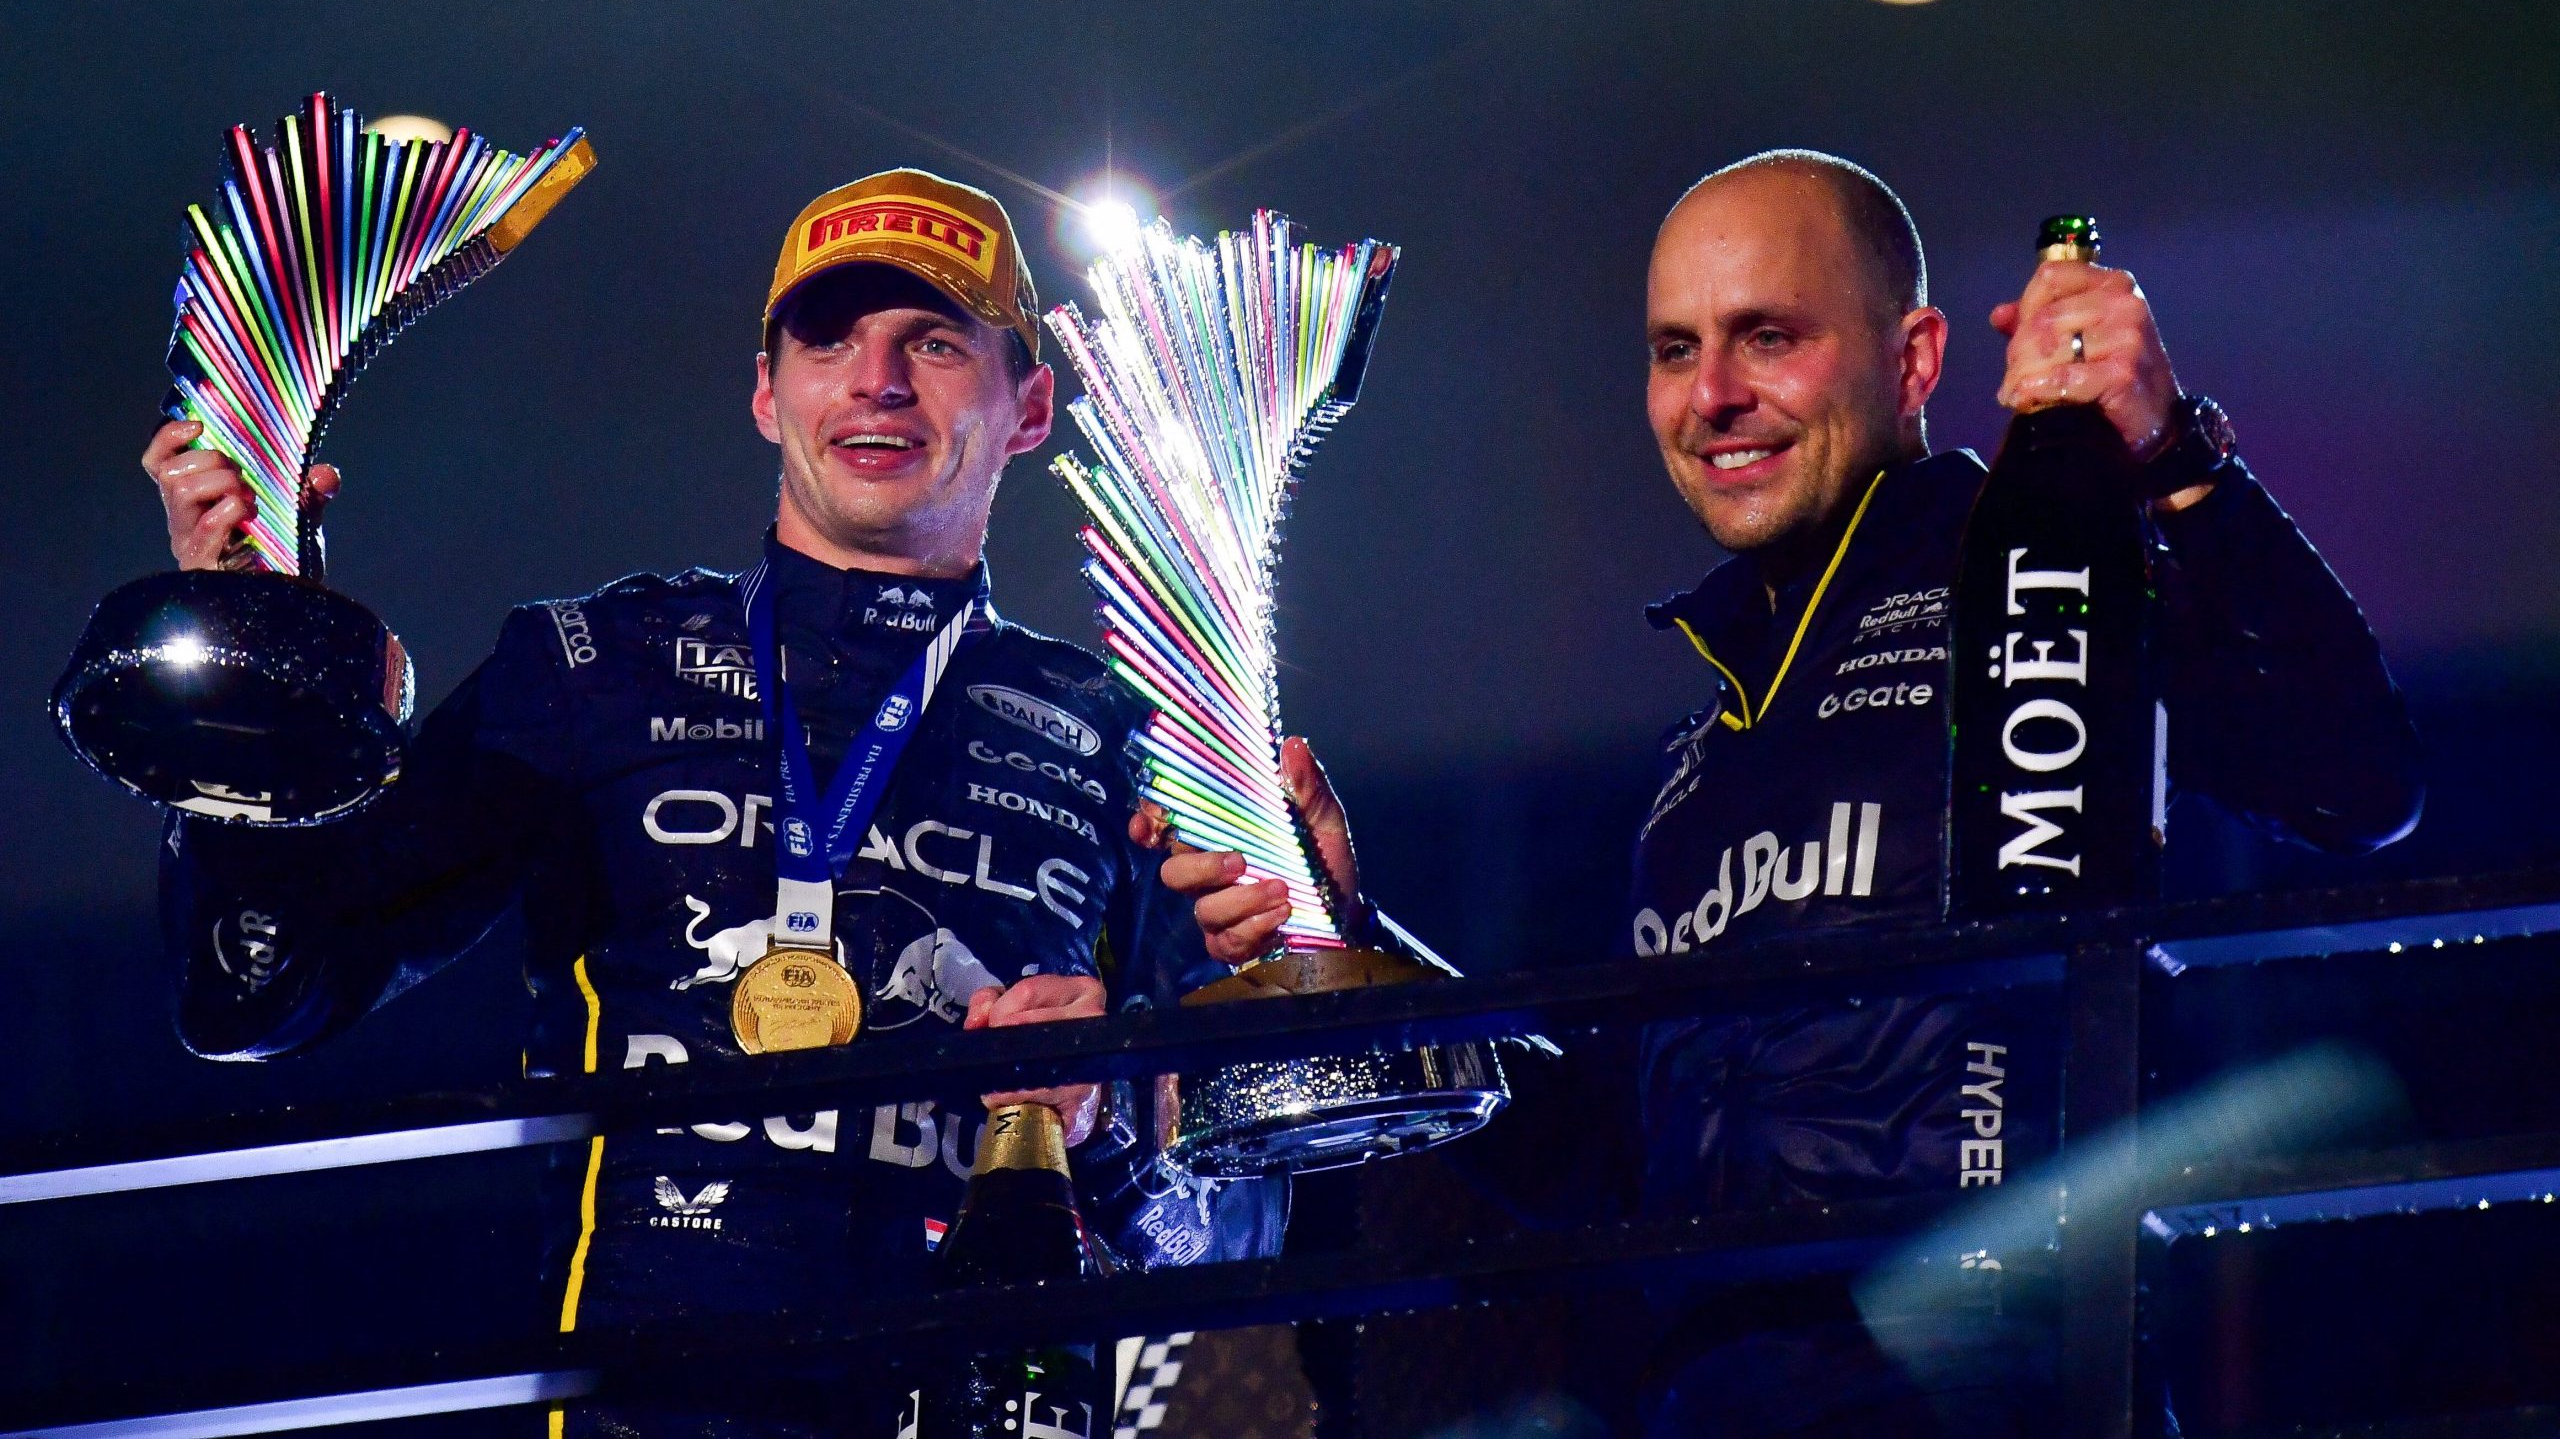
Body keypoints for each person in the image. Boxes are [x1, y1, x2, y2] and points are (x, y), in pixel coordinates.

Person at [1175, 149, 2424, 1435]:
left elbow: (2355, 782)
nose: (1713, 395)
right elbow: (1602, 1167)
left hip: (1981, 1388)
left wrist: (2171, 454)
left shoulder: (2036, 586)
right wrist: (1353, 936)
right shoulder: (1699, 757)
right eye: (1675, 350)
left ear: (1914, 360)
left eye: (1768, 337)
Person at [145, 168, 1278, 1436]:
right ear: (766, 394)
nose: (877, 381)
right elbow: (257, 995)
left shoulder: (1129, 740)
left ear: (1029, 408)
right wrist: (249, 688)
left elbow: (1235, 1234)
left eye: (936, 343)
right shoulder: (588, 667)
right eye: (828, 339)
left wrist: (1107, 1112)